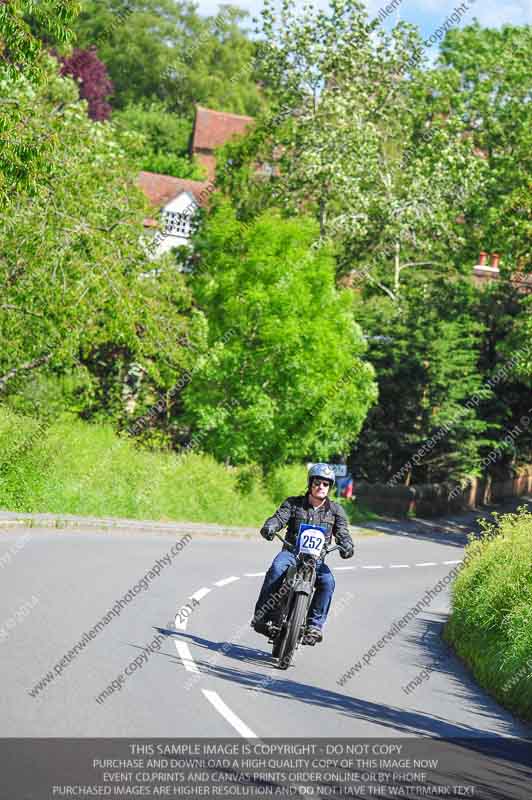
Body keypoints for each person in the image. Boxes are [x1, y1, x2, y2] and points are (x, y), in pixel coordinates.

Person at [250, 463, 354, 645]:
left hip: (317, 561)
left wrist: (347, 545)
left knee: (328, 582)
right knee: (276, 569)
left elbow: (343, 533)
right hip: (291, 553)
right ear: (310, 483)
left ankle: (314, 626)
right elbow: (279, 517)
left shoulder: (336, 511)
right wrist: (271, 526)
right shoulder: (293, 503)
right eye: (317, 482)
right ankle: (262, 615)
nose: (321, 487)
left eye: (326, 484)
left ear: (330, 487)